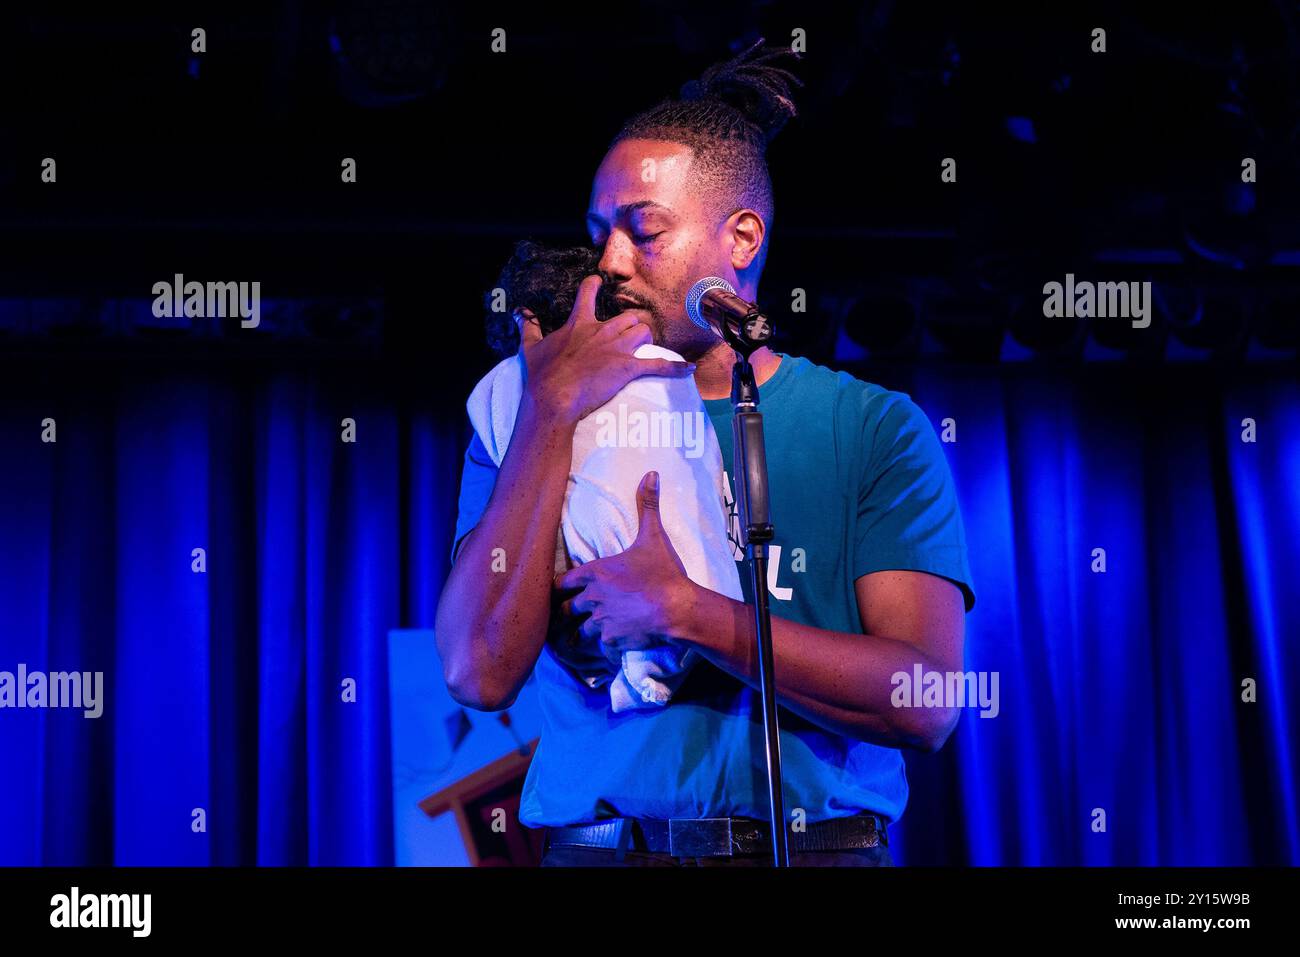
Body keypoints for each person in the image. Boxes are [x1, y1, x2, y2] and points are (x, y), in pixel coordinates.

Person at [435, 39, 976, 867]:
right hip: (602, 851)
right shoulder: (527, 413)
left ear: (742, 239)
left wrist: (690, 613)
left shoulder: (869, 428)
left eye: (643, 232)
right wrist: (550, 410)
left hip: (812, 852)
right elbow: (478, 669)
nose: (611, 262)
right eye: (598, 234)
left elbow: (928, 701)